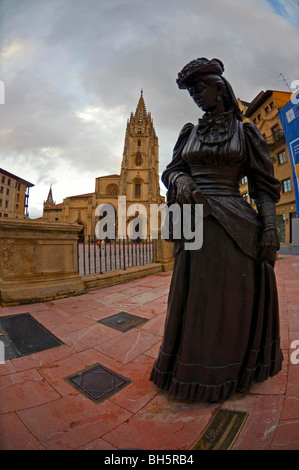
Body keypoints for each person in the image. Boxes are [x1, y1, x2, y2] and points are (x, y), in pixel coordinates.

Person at [150, 57, 283, 403]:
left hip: (234, 225)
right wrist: (180, 179)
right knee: (193, 300)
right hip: (194, 222)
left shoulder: (245, 133)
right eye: (191, 91)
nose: (195, 96)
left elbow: (263, 186)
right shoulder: (189, 133)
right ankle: (186, 370)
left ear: (219, 89)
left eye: (199, 89)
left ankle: (225, 371)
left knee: (227, 302)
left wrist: (270, 226)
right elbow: (170, 171)